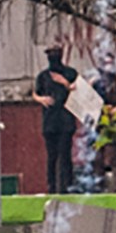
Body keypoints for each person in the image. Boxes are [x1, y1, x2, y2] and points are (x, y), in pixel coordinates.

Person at [34, 52, 81, 195]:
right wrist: (42, 99)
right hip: (50, 120)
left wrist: (65, 83)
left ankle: (66, 186)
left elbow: (79, 90)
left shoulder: (70, 73)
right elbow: (35, 93)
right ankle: (52, 187)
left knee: (65, 154)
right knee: (52, 155)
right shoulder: (43, 76)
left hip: (66, 118)